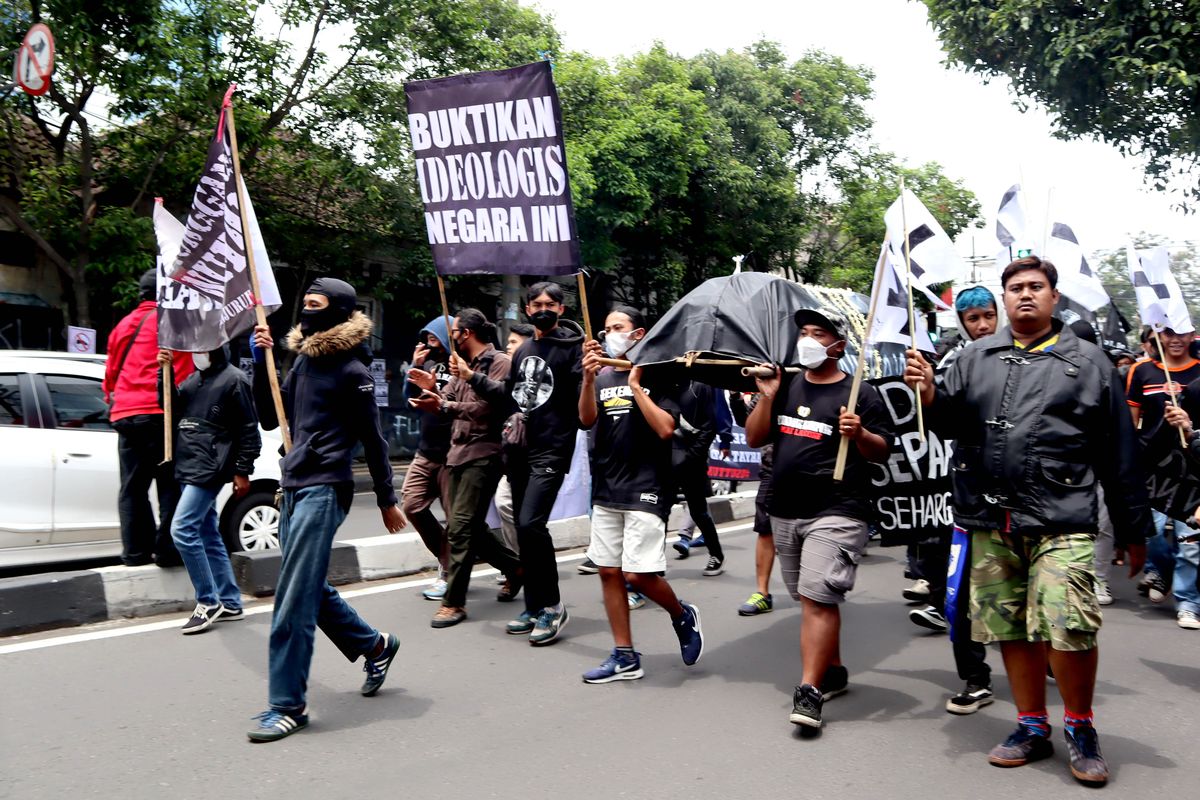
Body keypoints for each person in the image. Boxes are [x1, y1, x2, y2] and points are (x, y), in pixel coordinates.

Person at [904, 256, 1150, 785]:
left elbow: (1119, 454)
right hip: (990, 517)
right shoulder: (975, 357)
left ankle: (1080, 727)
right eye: (1015, 288)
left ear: (1054, 297)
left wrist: (1133, 529)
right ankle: (1031, 725)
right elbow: (950, 423)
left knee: (1070, 626)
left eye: (1036, 287)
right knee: (1009, 627)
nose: (1025, 296)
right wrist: (928, 392)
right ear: (1004, 297)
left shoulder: (1090, 362)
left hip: (1064, 518)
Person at [247, 277, 406, 743]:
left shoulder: (353, 373)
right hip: (292, 485)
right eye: (305, 305)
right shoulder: (299, 363)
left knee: (292, 598)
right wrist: (262, 361)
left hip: (324, 489)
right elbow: (268, 417)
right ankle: (374, 645)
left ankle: (287, 706)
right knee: (307, 586)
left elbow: (374, 440)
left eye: (316, 306)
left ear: (337, 312)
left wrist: (386, 496)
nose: (307, 312)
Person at [746, 307, 892, 729]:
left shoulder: (859, 393)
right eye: (804, 333)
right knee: (811, 596)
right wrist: (768, 396)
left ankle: (809, 691)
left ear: (839, 346)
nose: (807, 340)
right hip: (785, 509)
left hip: (839, 509)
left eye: (818, 333)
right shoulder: (786, 385)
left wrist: (859, 433)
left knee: (815, 594)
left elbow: (883, 451)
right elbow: (755, 437)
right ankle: (834, 669)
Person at [577, 306, 703, 682]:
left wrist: (635, 384)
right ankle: (625, 655)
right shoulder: (599, 376)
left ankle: (682, 614)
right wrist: (586, 381)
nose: (609, 334)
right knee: (609, 571)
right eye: (606, 328)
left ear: (638, 333)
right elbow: (586, 420)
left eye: (618, 328)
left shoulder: (660, 373)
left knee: (637, 574)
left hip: (647, 485)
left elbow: (666, 428)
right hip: (607, 486)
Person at [408, 309, 523, 629]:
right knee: (470, 526)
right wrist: (430, 392)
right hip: (455, 453)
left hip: (484, 453)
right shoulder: (459, 366)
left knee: (459, 527)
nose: (452, 335)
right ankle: (515, 569)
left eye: (455, 330)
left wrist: (446, 405)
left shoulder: (498, 362)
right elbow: (444, 403)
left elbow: (491, 408)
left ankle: (454, 602)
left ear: (467, 333)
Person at [500, 283, 584, 645]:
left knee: (532, 523)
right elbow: (511, 395)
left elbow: (584, 408)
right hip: (520, 448)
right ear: (527, 308)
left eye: (551, 304)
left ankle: (552, 605)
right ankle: (533, 605)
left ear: (562, 309)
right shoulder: (525, 351)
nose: (543, 309)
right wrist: (469, 377)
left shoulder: (574, 348)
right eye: (537, 304)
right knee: (522, 527)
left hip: (551, 449)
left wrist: (591, 370)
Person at [157, 345, 259, 634]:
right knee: (207, 533)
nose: (196, 353)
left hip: (211, 467)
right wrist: (163, 373)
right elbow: (171, 408)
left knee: (182, 529)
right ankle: (230, 601)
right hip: (189, 463)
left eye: (202, 348)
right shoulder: (193, 380)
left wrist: (242, 470)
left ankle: (208, 600)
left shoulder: (234, 380)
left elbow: (248, 428)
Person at [103, 269, 194, 567]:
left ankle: (135, 553)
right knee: (169, 485)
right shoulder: (176, 324)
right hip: (162, 414)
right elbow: (192, 370)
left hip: (126, 414)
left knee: (132, 488)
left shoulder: (123, 325)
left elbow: (110, 376)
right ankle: (168, 552)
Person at [1125, 322, 1200, 623]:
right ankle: (1164, 570)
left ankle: (1188, 602)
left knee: (1190, 538)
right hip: (1153, 468)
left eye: (1182, 332)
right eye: (1168, 333)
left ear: (1192, 335)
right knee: (1152, 531)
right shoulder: (1141, 371)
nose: (1175, 339)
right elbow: (1130, 422)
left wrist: (1189, 425)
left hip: (1194, 467)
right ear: (1157, 337)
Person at [401, 317, 454, 601]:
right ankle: (447, 558)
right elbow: (408, 399)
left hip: (452, 454)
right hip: (426, 450)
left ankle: (447, 572)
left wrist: (437, 390)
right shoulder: (428, 364)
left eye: (436, 337)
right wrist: (415, 367)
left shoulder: (461, 364)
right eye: (427, 337)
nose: (430, 342)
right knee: (411, 504)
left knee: (457, 520)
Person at [671, 382, 733, 576]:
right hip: (664, 457)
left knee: (698, 511)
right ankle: (650, 566)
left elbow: (713, 419)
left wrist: (724, 438)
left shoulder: (703, 382)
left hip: (691, 457)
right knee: (658, 511)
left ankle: (716, 554)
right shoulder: (659, 377)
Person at [730, 390, 778, 616]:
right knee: (765, 529)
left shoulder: (811, 385)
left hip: (811, 470)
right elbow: (746, 422)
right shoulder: (768, 389)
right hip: (773, 469)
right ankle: (762, 592)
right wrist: (735, 396)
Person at [494, 323, 536, 563]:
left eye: (513, 342)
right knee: (505, 505)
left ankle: (527, 564)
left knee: (527, 517)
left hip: (534, 459)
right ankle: (518, 562)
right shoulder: (508, 372)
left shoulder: (537, 376)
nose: (508, 347)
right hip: (508, 457)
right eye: (508, 342)